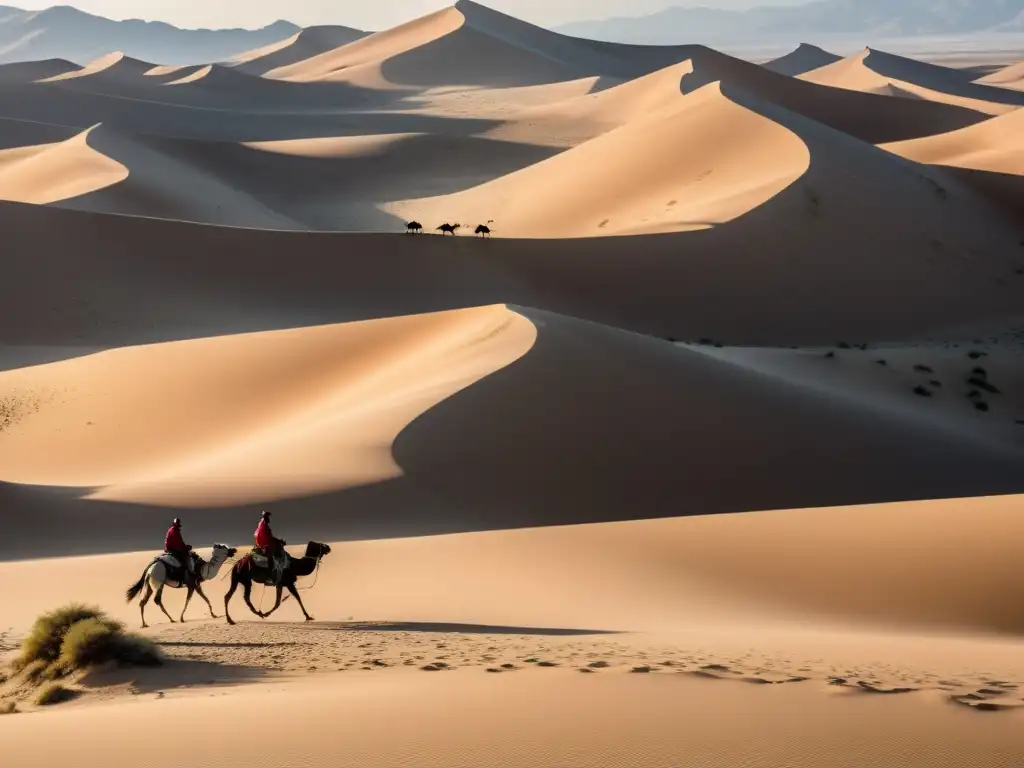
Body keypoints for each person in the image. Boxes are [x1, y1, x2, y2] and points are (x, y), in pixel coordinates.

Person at [254, 511, 285, 581]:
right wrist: (279, 541)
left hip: (265, 543)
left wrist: (278, 541)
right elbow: (267, 537)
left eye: (268, 517)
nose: (269, 519)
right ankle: (269, 576)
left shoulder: (264, 525)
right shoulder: (263, 526)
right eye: (267, 517)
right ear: (265, 518)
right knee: (270, 559)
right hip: (264, 544)